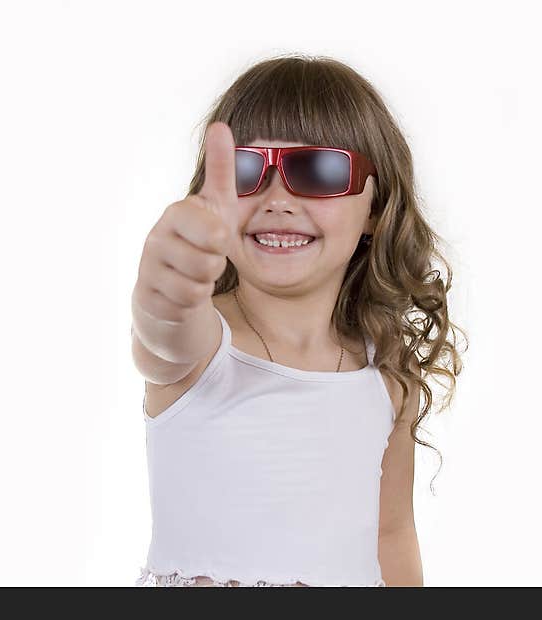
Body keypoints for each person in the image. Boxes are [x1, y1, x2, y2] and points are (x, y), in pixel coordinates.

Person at [131, 54, 466, 587]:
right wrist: (165, 285)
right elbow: (161, 335)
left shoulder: (386, 366)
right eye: (247, 170)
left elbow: (392, 533)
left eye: (318, 171)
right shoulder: (204, 345)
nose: (278, 199)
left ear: (377, 210)